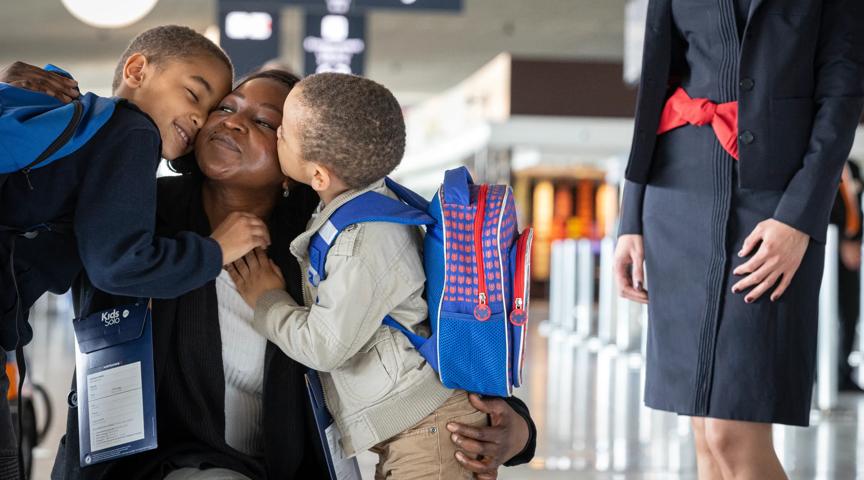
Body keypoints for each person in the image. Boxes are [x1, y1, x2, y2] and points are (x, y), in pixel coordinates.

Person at [46, 69, 535, 480]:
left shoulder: (330, 238)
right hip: (163, 463)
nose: (234, 123)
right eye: (224, 108)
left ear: (300, 165)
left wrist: (516, 427)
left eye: (265, 122)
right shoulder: (143, 222)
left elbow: (427, 320)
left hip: (294, 464)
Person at [613, 1, 864, 479]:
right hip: (679, 194)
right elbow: (656, 82)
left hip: (776, 203)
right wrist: (630, 215)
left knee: (730, 433)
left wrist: (798, 219)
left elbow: (842, 96)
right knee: (703, 435)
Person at [0, 26, 268, 478]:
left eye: (210, 109)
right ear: (137, 69)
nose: (201, 118)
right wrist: (215, 250)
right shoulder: (132, 129)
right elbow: (118, 265)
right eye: (193, 94)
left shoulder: (87, 124)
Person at [227, 72, 511, 479]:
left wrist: (267, 299)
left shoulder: (363, 241)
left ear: (319, 176)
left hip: (431, 432)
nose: (275, 138)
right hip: (417, 427)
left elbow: (325, 345)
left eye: (283, 133)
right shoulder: (363, 205)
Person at [829, 160, 864, 393]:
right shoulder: (826, 164)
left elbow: (857, 209)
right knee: (827, 317)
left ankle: (843, 374)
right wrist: (840, 244)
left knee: (850, 313)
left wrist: (855, 241)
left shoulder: (854, 168)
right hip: (829, 252)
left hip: (850, 253)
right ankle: (825, 375)